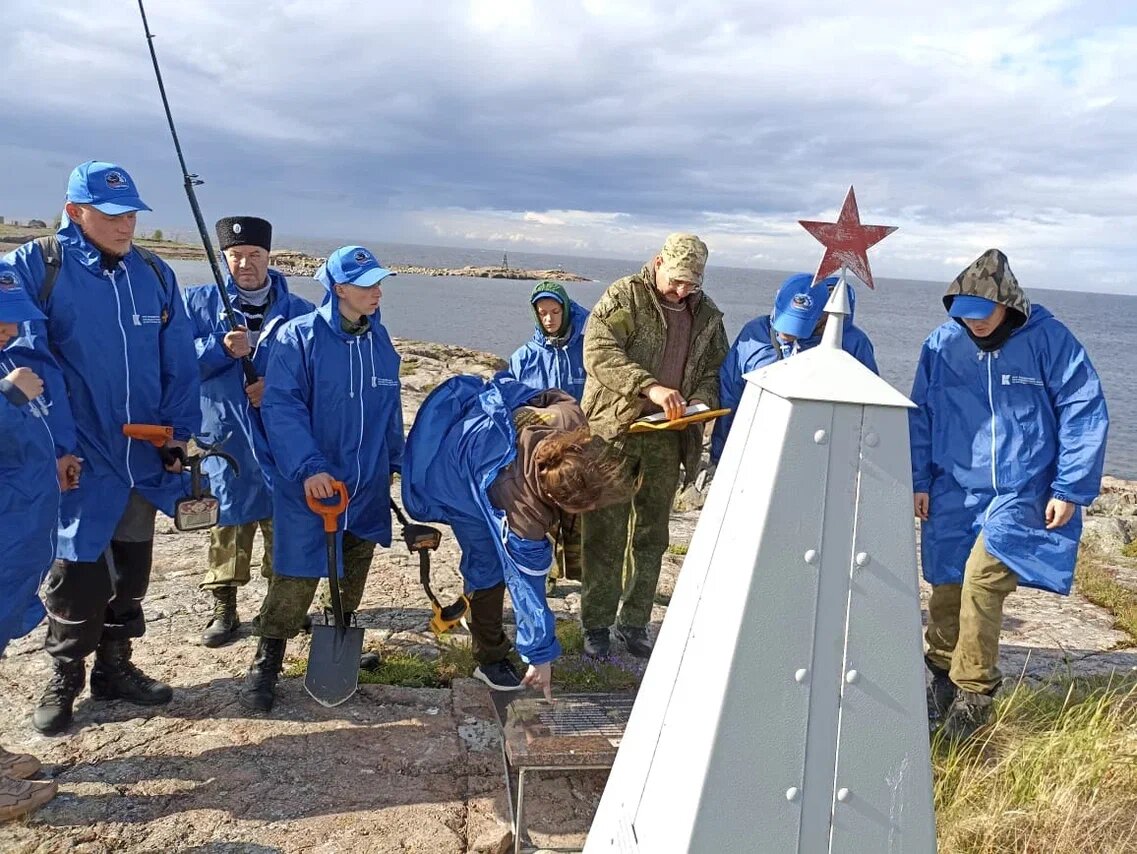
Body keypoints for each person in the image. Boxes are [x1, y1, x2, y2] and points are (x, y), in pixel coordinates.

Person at [4, 161, 201, 735]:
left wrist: (178, 432)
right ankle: (65, 673)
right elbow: (29, 357)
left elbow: (179, 361)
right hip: (80, 458)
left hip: (142, 454)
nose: (125, 226)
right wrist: (60, 445)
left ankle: (116, 669)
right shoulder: (38, 266)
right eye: (111, 214)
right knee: (79, 568)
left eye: (132, 214)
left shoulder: (156, 274)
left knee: (133, 566)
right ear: (74, 212)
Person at [910, 248, 1108, 740]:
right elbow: (920, 415)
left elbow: (1084, 409)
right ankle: (939, 677)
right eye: (964, 315)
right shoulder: (941, 344)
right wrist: (918, 479)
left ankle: (973, 699)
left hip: (1024, 491)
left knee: (982, 581)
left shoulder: (1050, 341)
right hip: (954, 487)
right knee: (947, 585)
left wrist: (1070, 487)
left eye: (982, 314)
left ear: (1008, 305)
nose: (973, 324)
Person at [238, 246, 403, 712]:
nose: (376, 291)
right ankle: (266, 660)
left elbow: (389, 407)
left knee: (350, 574)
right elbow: (282, 408)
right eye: (366, 283)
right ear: (338, 287)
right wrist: (310, 467)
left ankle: (336, 646)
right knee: (296, 574)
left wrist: (396, 461)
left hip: (365, 485)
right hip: (313, 487)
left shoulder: (379, 340)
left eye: (378, 282)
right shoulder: (298, 338)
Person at [402, 375, 631, 694]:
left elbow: (550, 395)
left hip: (484, 436)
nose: (591, 510)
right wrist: (540, 659)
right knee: (488, 566)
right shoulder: (522, 508)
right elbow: (527, 590)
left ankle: (479, 620)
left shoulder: (569, 418)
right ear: (553, 500)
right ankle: (489, 657)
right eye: (583, 507)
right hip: (457, 478)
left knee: (499, 558)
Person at [578, 233, 728, 658]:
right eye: (677, 281)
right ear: (659, 262)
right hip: (614, 433)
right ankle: (597, 625)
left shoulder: (708, 315)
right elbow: (599, 351)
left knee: (651, 536)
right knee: (605, 534)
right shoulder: (625, 296)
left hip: (667, 439)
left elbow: (715, 368)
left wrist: (700, 401)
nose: (682, 291)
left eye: (691, 285)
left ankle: (635, 621)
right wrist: (650, 388)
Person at [183, 216, 314, 647]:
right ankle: (224, 607)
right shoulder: (198, 304)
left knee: (286, 523)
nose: (245, 263)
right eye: (236, 256)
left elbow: (315, 375)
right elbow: (176, 367)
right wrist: (217, 350)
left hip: (281, 438)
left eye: (254, 255)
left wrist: (274, 389)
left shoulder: (300, 313)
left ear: (269, 257)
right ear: (223, 258)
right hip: (224, 434)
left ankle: (282, 605)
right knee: (228, 520)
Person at [0, 262, 60, 819]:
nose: (7, 330)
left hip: (17, 538)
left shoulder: (8, 360)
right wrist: (6, 395)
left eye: (12, 321)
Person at [711, 272, 878, 463]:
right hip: (756, 445)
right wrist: (721, 456)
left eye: (799, 326)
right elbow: (731, 394)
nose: (787, 333)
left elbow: (870, 410)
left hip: (818, 451)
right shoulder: (754, 333)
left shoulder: (853, 344)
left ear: (821, 317)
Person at [506, 280, 590, 591]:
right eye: (543, 313)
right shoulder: (524, 357)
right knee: (542, 514)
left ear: (566, 310)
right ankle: (548, 576)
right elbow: (511, 399)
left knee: (578, 514)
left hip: (579, 447)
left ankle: (581, 575)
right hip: (537, 453)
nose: (550, 319)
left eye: (555, 311)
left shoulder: (586, 349)